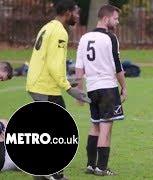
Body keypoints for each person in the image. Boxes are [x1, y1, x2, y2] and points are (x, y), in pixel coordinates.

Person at [26, 0, 90, 179]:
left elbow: (49, 60)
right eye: (76, 12)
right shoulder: (60, 31)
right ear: (68, 12)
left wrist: (65, 80)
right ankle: (54, 173)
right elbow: (54, 64)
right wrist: (69, 88)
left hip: (39, 84)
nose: (78, 16)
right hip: (45, 87)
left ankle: (41, 173)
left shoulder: (48, 27)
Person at [75, 4, 127, 176]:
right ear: (106, 18)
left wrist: (79, 92)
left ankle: (91, 165)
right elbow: (118, 67)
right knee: (106, 128)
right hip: (107, 89)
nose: (117, 22)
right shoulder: (110, 38)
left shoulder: (84, 37)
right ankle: (102, 168)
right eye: (115, 18)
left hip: (92, 89)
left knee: (94, 126)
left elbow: (79, 68)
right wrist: (124, 87)